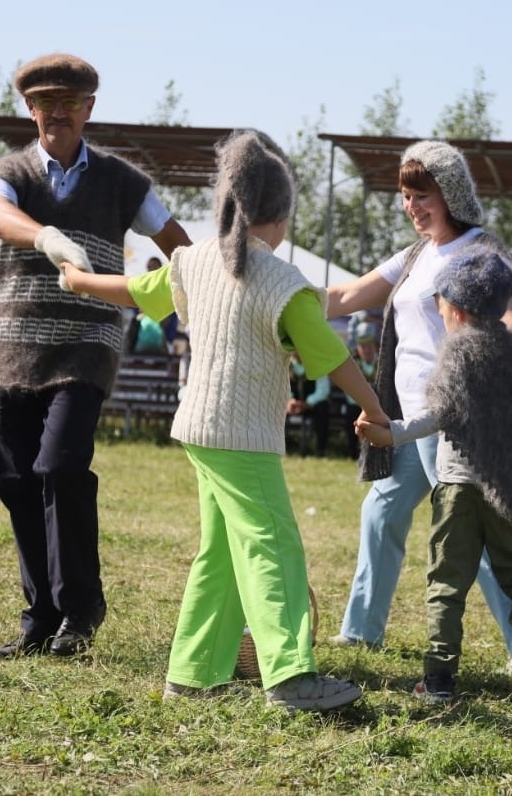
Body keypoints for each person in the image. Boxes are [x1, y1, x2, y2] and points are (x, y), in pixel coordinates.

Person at [59, 130, 384, 711]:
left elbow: (136, 290)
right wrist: (375, 409)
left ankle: (192, 672)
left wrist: (79, 280)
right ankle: (290, 676)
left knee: (223, 550)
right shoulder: (285, 283)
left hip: (199, 431)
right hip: (242, 438)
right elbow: (333, 358)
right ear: (281, 216)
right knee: (273, 544)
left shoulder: (193, 261)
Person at [0, 53, 191, 659]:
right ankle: (41, 616)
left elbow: (177, 245)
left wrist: (215, 293)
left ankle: (80, 608)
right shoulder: (9, 172)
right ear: (30, 109)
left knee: (60, 466)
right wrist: (43, 234)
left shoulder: (124, 183)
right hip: (13, 351)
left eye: (69, 105)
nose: (56, 115)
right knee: (18, 480)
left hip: (86, 347)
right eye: (45, 105)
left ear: (89, 109)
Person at [326, 139, 512, 654]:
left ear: (452, 193)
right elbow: (347, 296)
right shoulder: (417, 254)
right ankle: (360, 633)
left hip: (457, 418)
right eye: (405, 195)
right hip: (411, 419)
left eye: (422, 195)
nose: (411, 206)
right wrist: (280, 297)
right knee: (382, 513)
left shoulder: (482, 252)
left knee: (476, 540)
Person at [356, 247, 512, 702]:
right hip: (510, 488)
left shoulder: (458, 353)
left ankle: (438, 680)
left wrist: (390, 434)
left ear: (455, 309)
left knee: (446, 583)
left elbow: (436, 415)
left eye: (439, 304)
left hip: (456, 490)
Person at [342, 328, 379, 460]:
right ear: (358, 348)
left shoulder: (382, 363)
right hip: (356, 403)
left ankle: (377, 453)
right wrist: (364, 403)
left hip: (378, 405)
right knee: (350, 413)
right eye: (363, 347)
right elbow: (348, 389)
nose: (366, 350)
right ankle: (353, 454)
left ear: (374, 347)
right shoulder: (353, 365)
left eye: (369, 346)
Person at [287, 352, 331, 456]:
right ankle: (283, 449)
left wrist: (307, 403)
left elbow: (323, 390)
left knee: (323, 407)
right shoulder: (286, 364)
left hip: (313, 405)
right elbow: (281, 386)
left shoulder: (316, 364)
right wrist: (290, 400)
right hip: (291, 405)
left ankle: (320, 450)